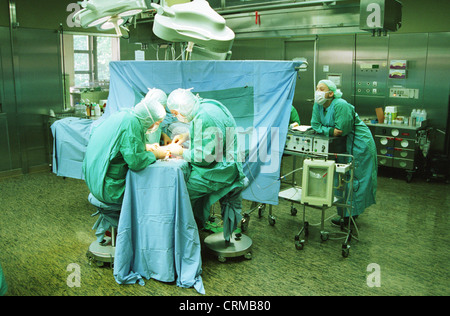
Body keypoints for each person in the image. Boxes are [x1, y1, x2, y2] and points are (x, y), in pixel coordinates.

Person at [166, 88, 246, 230]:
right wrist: (187, 135)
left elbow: (205, 157)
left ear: (183, 107)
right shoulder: (207, 105)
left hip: (221, 170)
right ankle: (196, 224)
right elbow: (213, 133)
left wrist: (181, 152)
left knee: (183, 194)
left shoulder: (205, 116)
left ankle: (185, 232)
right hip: (227, 162)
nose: (176, 116)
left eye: (175, 113)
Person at [83, 88, 169, 205]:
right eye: (157, 123)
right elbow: (136, 163)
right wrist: (157, 154)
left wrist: (145, 147)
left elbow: (120, 145)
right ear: (149, 119)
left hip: (93, 180)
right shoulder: (132, 124)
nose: (157, 127)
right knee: (155, 194)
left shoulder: (125, 114)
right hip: (109, 189)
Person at [310, 79, 377, 225]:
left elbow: (341, 130)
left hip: (358, 143)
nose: (317, 92)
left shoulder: (341, 105)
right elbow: (315, 124)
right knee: (339, 178)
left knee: (354, 178)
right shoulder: (318, 105)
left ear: (331, 93)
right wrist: (329, 130)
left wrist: (327, 130)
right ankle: (345, 213)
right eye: (317, 88)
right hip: (339, 144)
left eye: (321, 89)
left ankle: (350, 216)